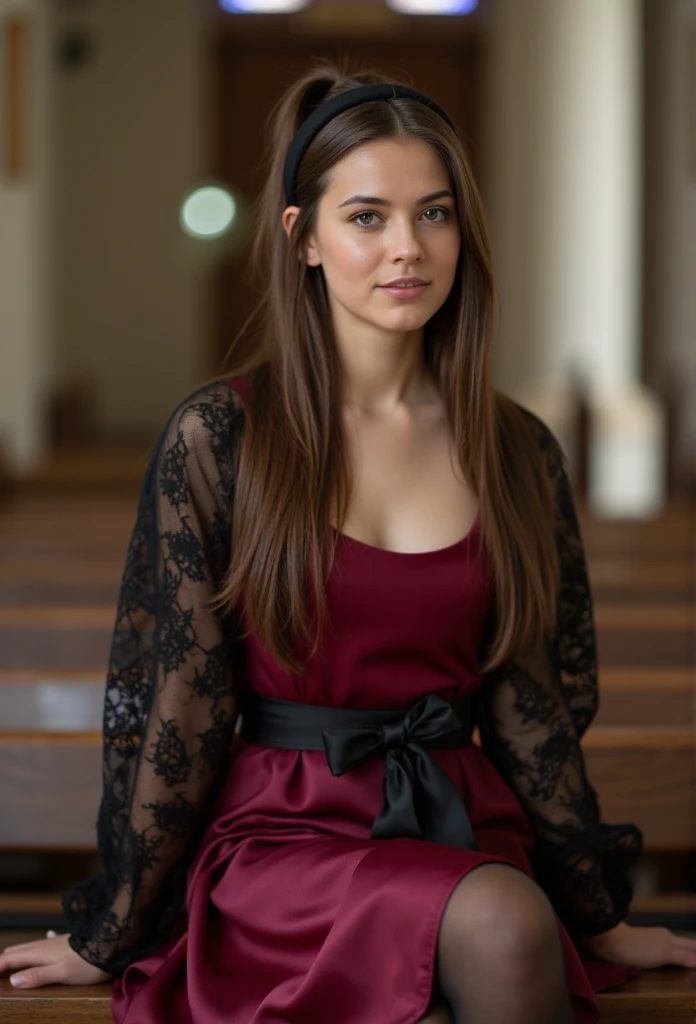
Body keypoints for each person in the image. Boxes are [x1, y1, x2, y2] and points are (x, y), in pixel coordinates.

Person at [1, 62, 694, 1024]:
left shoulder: (517, 450)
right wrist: (111, 929)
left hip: (459, 827)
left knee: (501, 923)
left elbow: (528, 703)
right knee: (496, 928)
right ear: (305, 238)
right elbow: (186, 704)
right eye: (367, 216)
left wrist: (598, 913)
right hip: (285, 840)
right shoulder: (221, 437)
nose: (408, 248)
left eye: (435, 214)